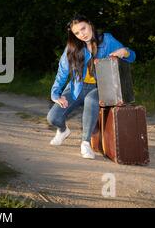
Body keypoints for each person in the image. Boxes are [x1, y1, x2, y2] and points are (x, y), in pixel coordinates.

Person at [47, 15, 136, 159]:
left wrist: (124, 52)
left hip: (101, 87)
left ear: (90, 24)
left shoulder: (106, 40)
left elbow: (132, 56)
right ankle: (63, 131)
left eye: (83, 28)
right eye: (77, 32)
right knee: (53, 117)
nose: (82, 34)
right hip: (77, 88)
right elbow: (62, 72)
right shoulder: (73, 47)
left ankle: (85, 143)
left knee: (91, 100)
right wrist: (56, 94)